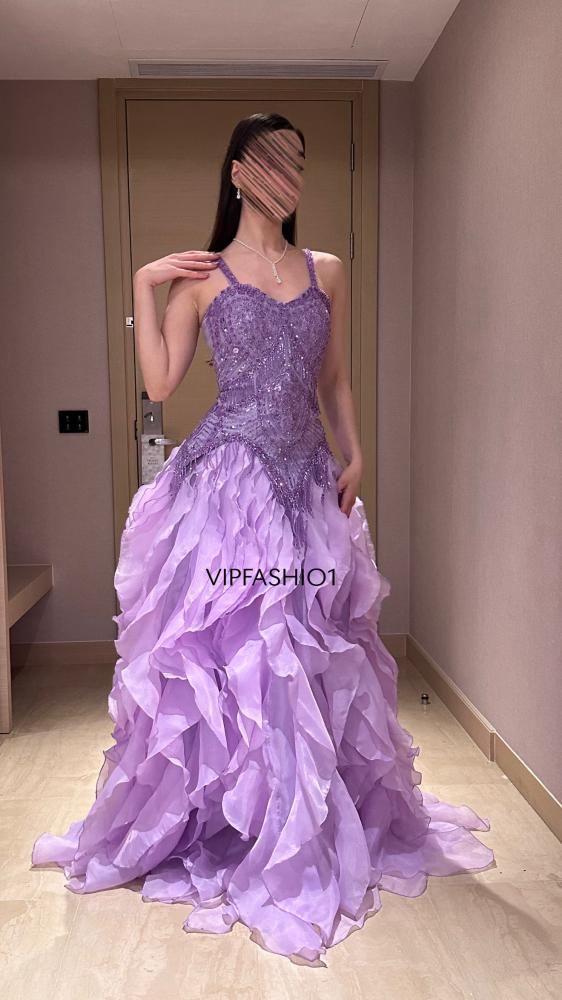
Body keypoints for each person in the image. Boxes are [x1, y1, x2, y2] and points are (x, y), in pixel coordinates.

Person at [31, 112, 495, 965]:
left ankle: (306, 817)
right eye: (273, 160)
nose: (288, 175)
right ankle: (237, 823)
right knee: (239, 657)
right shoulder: (200, 278)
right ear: (240, 172)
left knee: (312, 653)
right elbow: (161, 384)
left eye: (298, 161)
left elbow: (334, 378)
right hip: (227, 487)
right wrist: (143, 281)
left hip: (309, 481)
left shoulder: (327, 269)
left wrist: (357, 451)